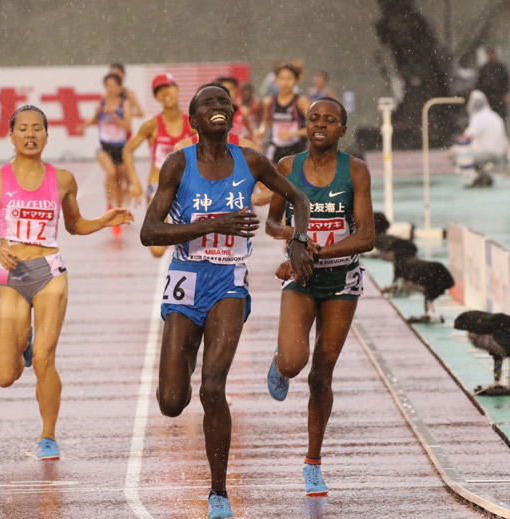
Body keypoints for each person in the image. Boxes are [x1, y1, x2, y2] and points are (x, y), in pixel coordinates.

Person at [140, 85, 313, 519]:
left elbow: (298, 197)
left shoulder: (250, 160)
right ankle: (190, 351)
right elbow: (149, 232)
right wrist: (215, 223)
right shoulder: (177, 165)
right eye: (207, 105)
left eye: (224, 103)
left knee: (213, 388)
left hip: (228, 283)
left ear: (232, 116)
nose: (218, 108)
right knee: (171, 402)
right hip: (186, 280)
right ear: (194, 121)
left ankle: (219, 493)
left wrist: (299, 239)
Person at [0, 105, 134, 460]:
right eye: (23, 129)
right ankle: (23, 342)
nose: (30, 135)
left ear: (47, 135)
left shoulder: (62, 180)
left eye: (38, 129)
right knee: (5, 375)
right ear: (11, 136)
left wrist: (104, 221)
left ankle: (48, 435)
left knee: (45, 359)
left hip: (50, 273)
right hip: (12, 277)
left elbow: (74, 226)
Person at [264, 97, 375, 497]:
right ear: (305, 126)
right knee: (295, 363)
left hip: (341, 281)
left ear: (343, 130)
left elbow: (367, 236)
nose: (320, 125)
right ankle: (279, 363)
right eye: (313, 119)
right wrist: (291, 239)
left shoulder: (356, 171)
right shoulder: (288, 167)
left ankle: (313, 462)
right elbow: (273, 221)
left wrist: (313, 252)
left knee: (321, 374)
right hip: (301, 279)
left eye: (330, 120)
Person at [123, 72, 194, 257]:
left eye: (168, 87)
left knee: (195, 245)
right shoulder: (151, 125)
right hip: (158, 188)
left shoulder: (192, 123)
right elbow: (128, 150)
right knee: (157, 249)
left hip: (188, 187)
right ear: (155, 97)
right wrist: (134, 182)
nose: (165, 94)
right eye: (159, 91)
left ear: (177, 89)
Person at [77, 73, 132, 234]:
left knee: (121, 177)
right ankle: (109, 205)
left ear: (119, 87)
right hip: (103, 147)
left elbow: (128, 127)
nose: (110, 88)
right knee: (111, 172)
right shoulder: (100, 103)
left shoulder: (124, 104)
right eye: (107, 85)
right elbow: (95, 119)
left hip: (120, 147)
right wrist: (84, 126)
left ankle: (119, 210)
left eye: (113, 85)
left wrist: (114, 115)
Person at [255, 63, 311, 165]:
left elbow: (313, 127)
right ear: (276, 80)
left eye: (289, 79)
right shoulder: (269, 102)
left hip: (297, 149)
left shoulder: (301, 101)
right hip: (275, 149)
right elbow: (266, 122)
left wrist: (292, 134)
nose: (285, 83)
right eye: (282, 78)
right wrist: (261, 131)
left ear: (296, 80)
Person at [475, 47, 510, 121]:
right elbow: (479, 83)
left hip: (499, 98)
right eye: (489, 54)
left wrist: (506, 93)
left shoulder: (501, 68)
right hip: (487, 98)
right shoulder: (484, 69)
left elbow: (506, 81)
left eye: (492, 54)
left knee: (499, 118)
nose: (490, 56)